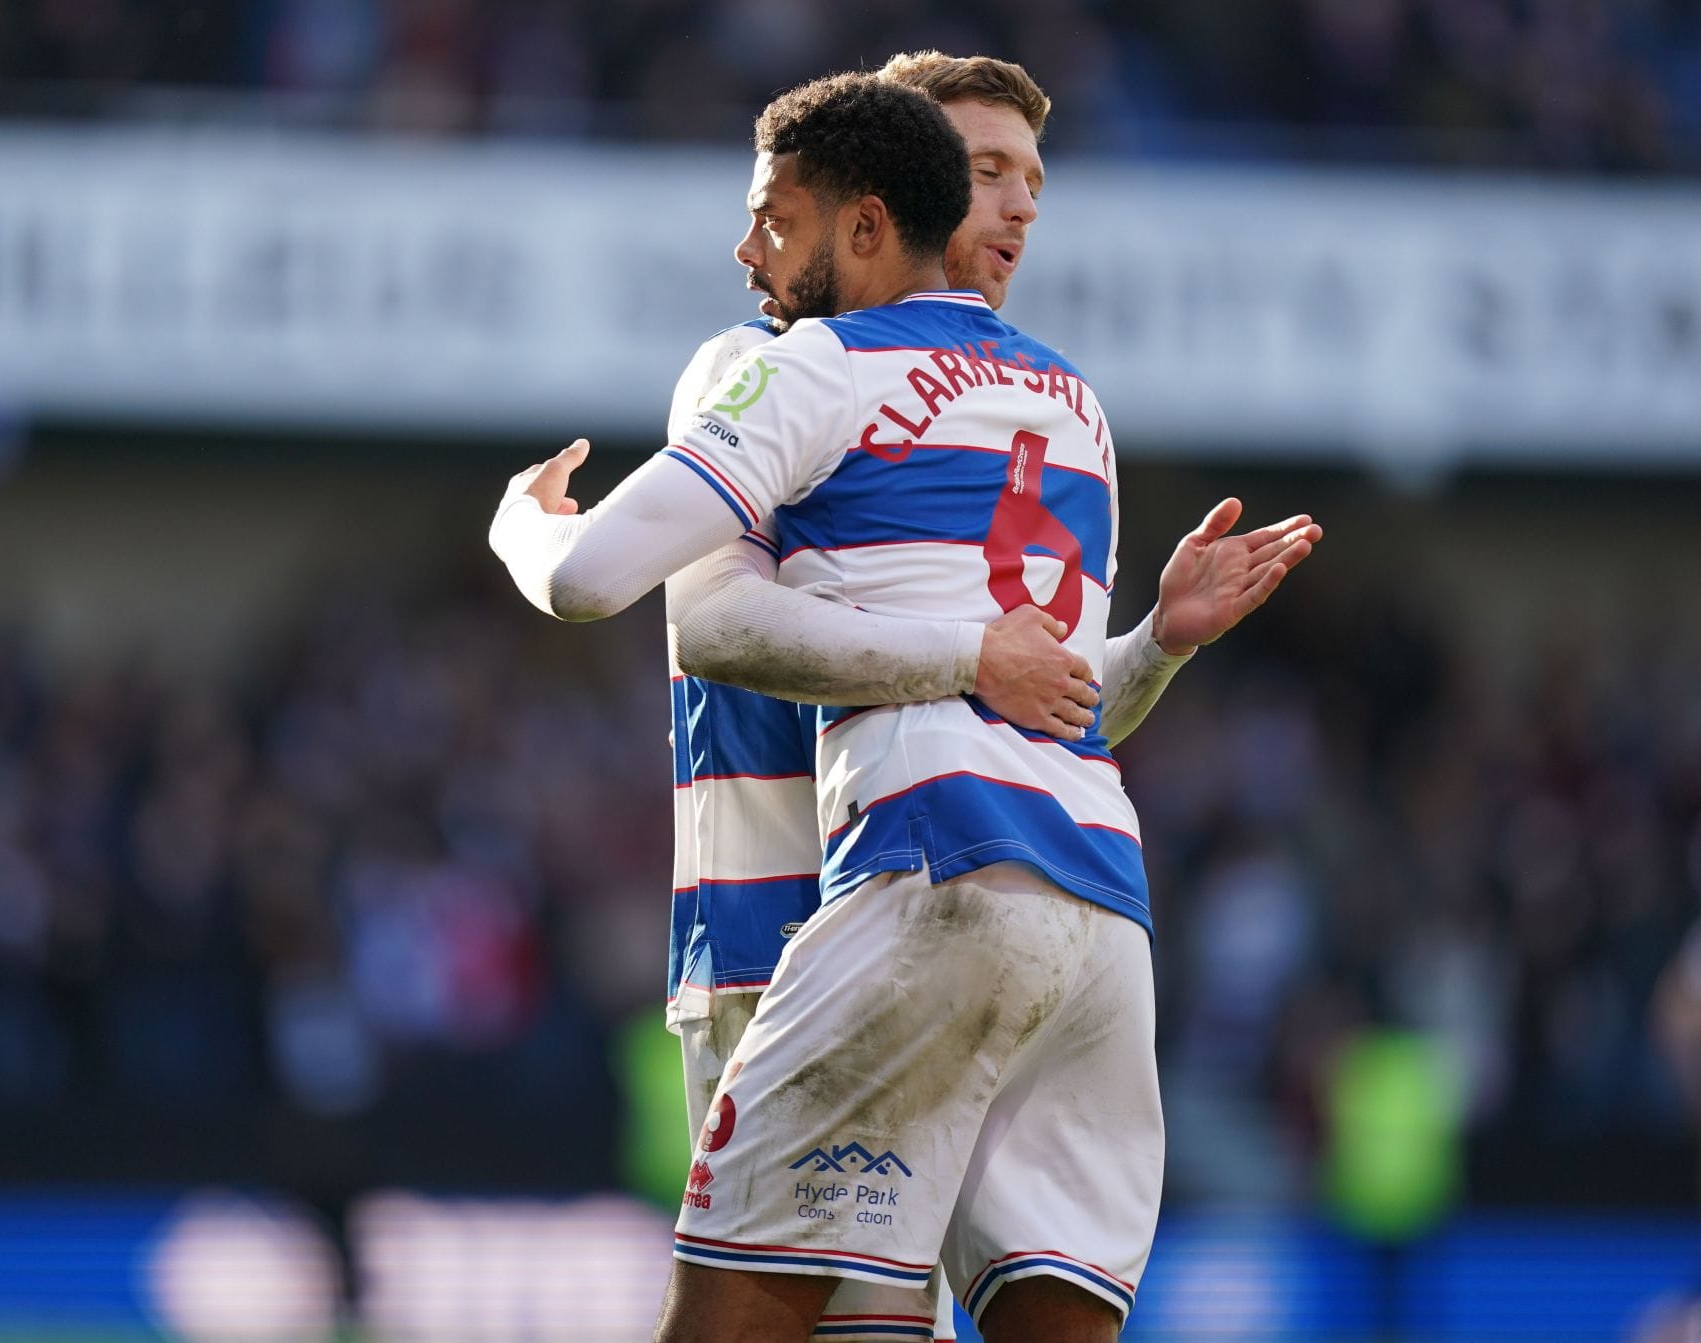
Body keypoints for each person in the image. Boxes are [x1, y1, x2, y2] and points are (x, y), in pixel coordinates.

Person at [489, 74, 1311, 1343]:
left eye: (1033, 180)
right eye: (984, 171)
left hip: (895, 889)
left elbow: (1020, 689)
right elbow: (781, 632)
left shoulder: (931, 387)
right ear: (903, 190)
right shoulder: (812, 367)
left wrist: (1143, 645)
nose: (1017, 206)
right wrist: (1013, 654)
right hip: (1001, 894)